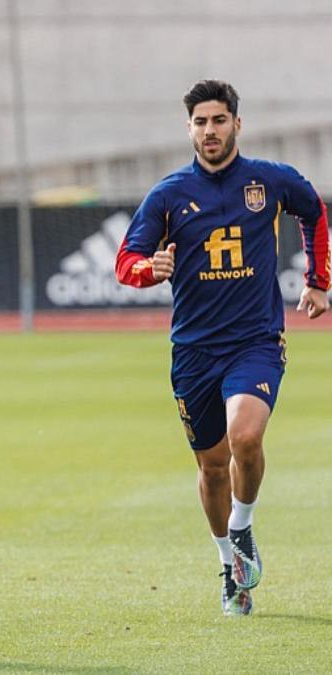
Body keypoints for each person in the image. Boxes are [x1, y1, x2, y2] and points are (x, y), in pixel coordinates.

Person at [115, 80, 328, 616]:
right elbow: (127, 262)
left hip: (255, 341)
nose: (210, 131)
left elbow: (315, 212)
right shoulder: (167, 195)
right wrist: (148, 270)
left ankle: (242, 528)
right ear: (189, 129)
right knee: (211, 467)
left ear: (237, 124)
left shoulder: (268, 180)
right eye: (200, 122)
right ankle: (229, 568)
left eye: (219, 120)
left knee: (246, 437)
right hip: (193, 352)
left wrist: (318, 279)